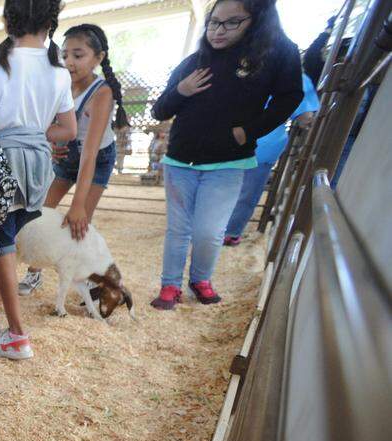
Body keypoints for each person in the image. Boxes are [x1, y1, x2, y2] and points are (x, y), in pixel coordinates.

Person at [150, 0, 301, 310]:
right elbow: (160, 108)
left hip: (228, 161)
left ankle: (201, 278)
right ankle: (169, 284)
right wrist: (181, 91)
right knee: (178, 229)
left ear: (256, 21)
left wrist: (250, 130)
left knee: (209, 230)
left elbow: (290, 95)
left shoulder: (271, 56)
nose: (219, 30)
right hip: (181, 160)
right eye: (214, 22)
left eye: (232, 22)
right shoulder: (193, 63)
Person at [0, 0, 76, 359]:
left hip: (2, 162)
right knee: (6, 239)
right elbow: (68, 129)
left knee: (1, 241)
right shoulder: (59, 70)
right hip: (38, 165)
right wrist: (35, 134)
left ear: (7, 19)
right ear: (51, 21)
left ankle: (17, 335)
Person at [29, 24, 129, 262]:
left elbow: (90, 152)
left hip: (96, 160)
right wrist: (56, 142)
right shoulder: (61, 84)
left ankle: (92, 280)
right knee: (40, 213)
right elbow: (53, 125)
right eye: (64, 55)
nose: (69, 61)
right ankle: (35, 271)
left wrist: (77, 204)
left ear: (98, 58)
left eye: (78, 55)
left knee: (80, 221)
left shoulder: (101, 93)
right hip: (67, 159)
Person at [223, 73, 319, 245]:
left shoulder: (238, 67)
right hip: (263, 144)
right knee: (247, 193)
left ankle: (209, 228)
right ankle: (230, 233)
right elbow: (306, 118)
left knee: (217, 186)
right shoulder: (296, 77)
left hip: (229, 140)